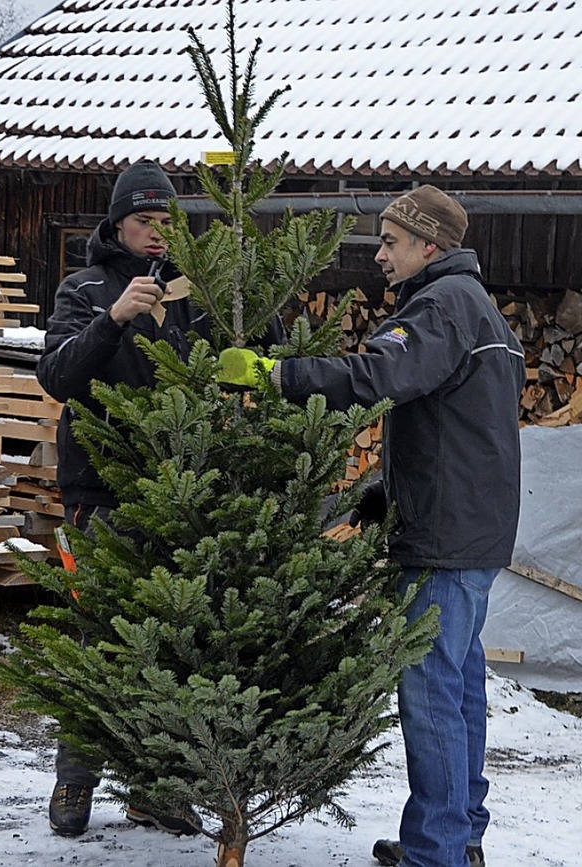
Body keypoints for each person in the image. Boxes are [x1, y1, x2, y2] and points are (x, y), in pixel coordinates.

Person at [216, 185, 526, 867]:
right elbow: (462, 429)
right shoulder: (483, 314)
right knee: (460, 685)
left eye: (390, 241)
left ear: (429, 245)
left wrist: (278, 374)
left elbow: (377, 374)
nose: (379, 253)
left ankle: (435, 852)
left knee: (430, 692)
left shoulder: (440, 307)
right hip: (473, 532)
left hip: (445, 540)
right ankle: (458, 834)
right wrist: (388, 488)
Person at [37, 160, 284, 838]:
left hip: (178, 493)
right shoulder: (84, 289)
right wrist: (113, 320)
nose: (156, 231)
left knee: (172, 643)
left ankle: (153, 788)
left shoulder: (189, 293)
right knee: (101, 640)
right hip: (99, 495)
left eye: (167, 220)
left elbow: (267, 342)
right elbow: (57, 374)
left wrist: (257, 296)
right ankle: (74, 779)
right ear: (118, 222)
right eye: (145, 219)